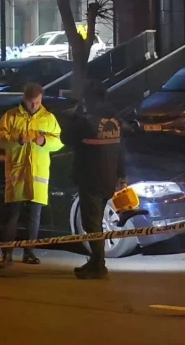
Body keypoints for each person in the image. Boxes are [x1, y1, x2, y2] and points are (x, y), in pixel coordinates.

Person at [60, 80, 126, 280]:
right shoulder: (115, 120)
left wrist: (76, 115)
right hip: (109, 178)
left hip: (91, 178)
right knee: (96, 222)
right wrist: (122, 174)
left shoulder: (86, 121)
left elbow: (65, 138)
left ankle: (98, 264)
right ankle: (96, 261)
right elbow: (120, 148)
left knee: (92, 224)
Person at [0, 83, 63, 268]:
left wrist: (44, 140)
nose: (34, 106)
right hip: (17, 174)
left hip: (38, 175)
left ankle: (29, 251)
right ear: (24, 99)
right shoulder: (11, 116)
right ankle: (6, 254)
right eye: (31, 103)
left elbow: (58, 142)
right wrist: (16, 140)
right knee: (12, 216)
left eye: (37, 102)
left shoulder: (48, 118)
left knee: (34, 217)